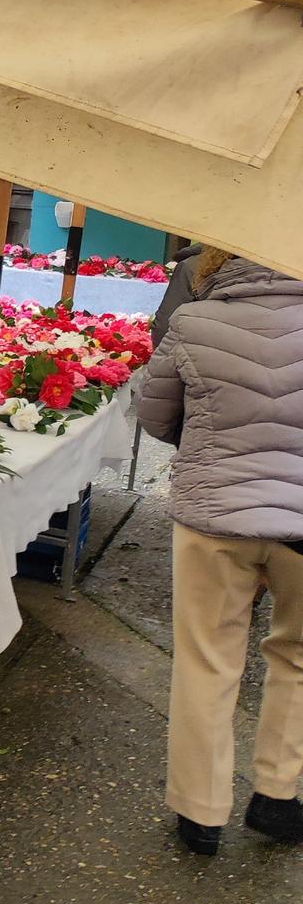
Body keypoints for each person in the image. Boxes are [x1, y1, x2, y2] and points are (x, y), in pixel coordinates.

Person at [135, 248, 303, 855]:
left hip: (213, 519)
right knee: (298, 658)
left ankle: (200, 812)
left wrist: (211, 440)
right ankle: (277, 797)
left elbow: (154, 417)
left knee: (207, 660)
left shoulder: (194, 322)